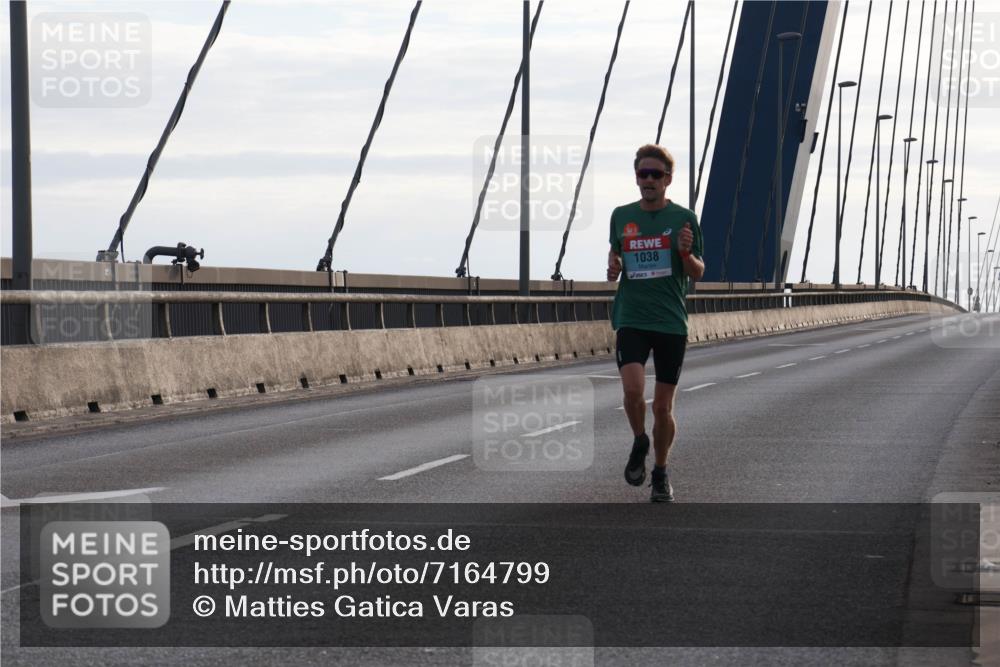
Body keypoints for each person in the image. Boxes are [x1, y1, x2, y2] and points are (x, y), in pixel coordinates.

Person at [606, 144, 704, 502]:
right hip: (631, 317)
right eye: (642, 174)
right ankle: (639, 440)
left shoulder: (684, 218)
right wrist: (613, 267)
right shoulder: (621, 215)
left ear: (668, 179)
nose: (648, 180)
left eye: (655, 174)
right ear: (636, 178)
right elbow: (615, 255)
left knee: (662, 408)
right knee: (633, 392)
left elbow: (698, 271)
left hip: (670, 323)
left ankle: (660, 471)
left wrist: (684, 254)